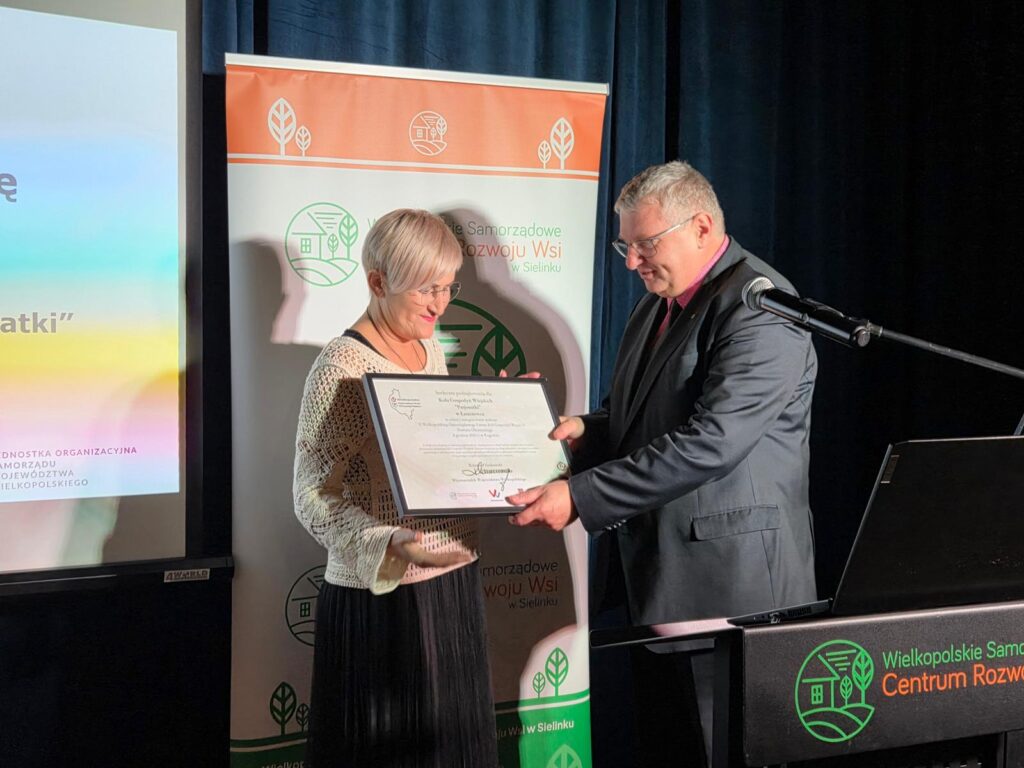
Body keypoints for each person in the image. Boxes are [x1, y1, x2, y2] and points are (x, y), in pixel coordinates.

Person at [508, 161, 817, 765]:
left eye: (645, 244)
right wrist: (585, 432)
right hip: (659, 584)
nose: (631, 262)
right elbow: (644, 417)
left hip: (731, 595)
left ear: (701, 227)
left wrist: (580, 496)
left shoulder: (762, 308)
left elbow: (712, 442)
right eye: (624, 246)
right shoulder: (660, 302)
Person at [294, 208, 498, 767]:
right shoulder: (340, 367)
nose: (440, 304)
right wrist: (388, 542)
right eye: (426, 289)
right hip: (382, 600)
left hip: (451, 578)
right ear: (378, 282)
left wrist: (507, 427)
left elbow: (432, 461)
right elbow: (311, 496)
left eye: (448, 287)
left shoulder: (430, 350)